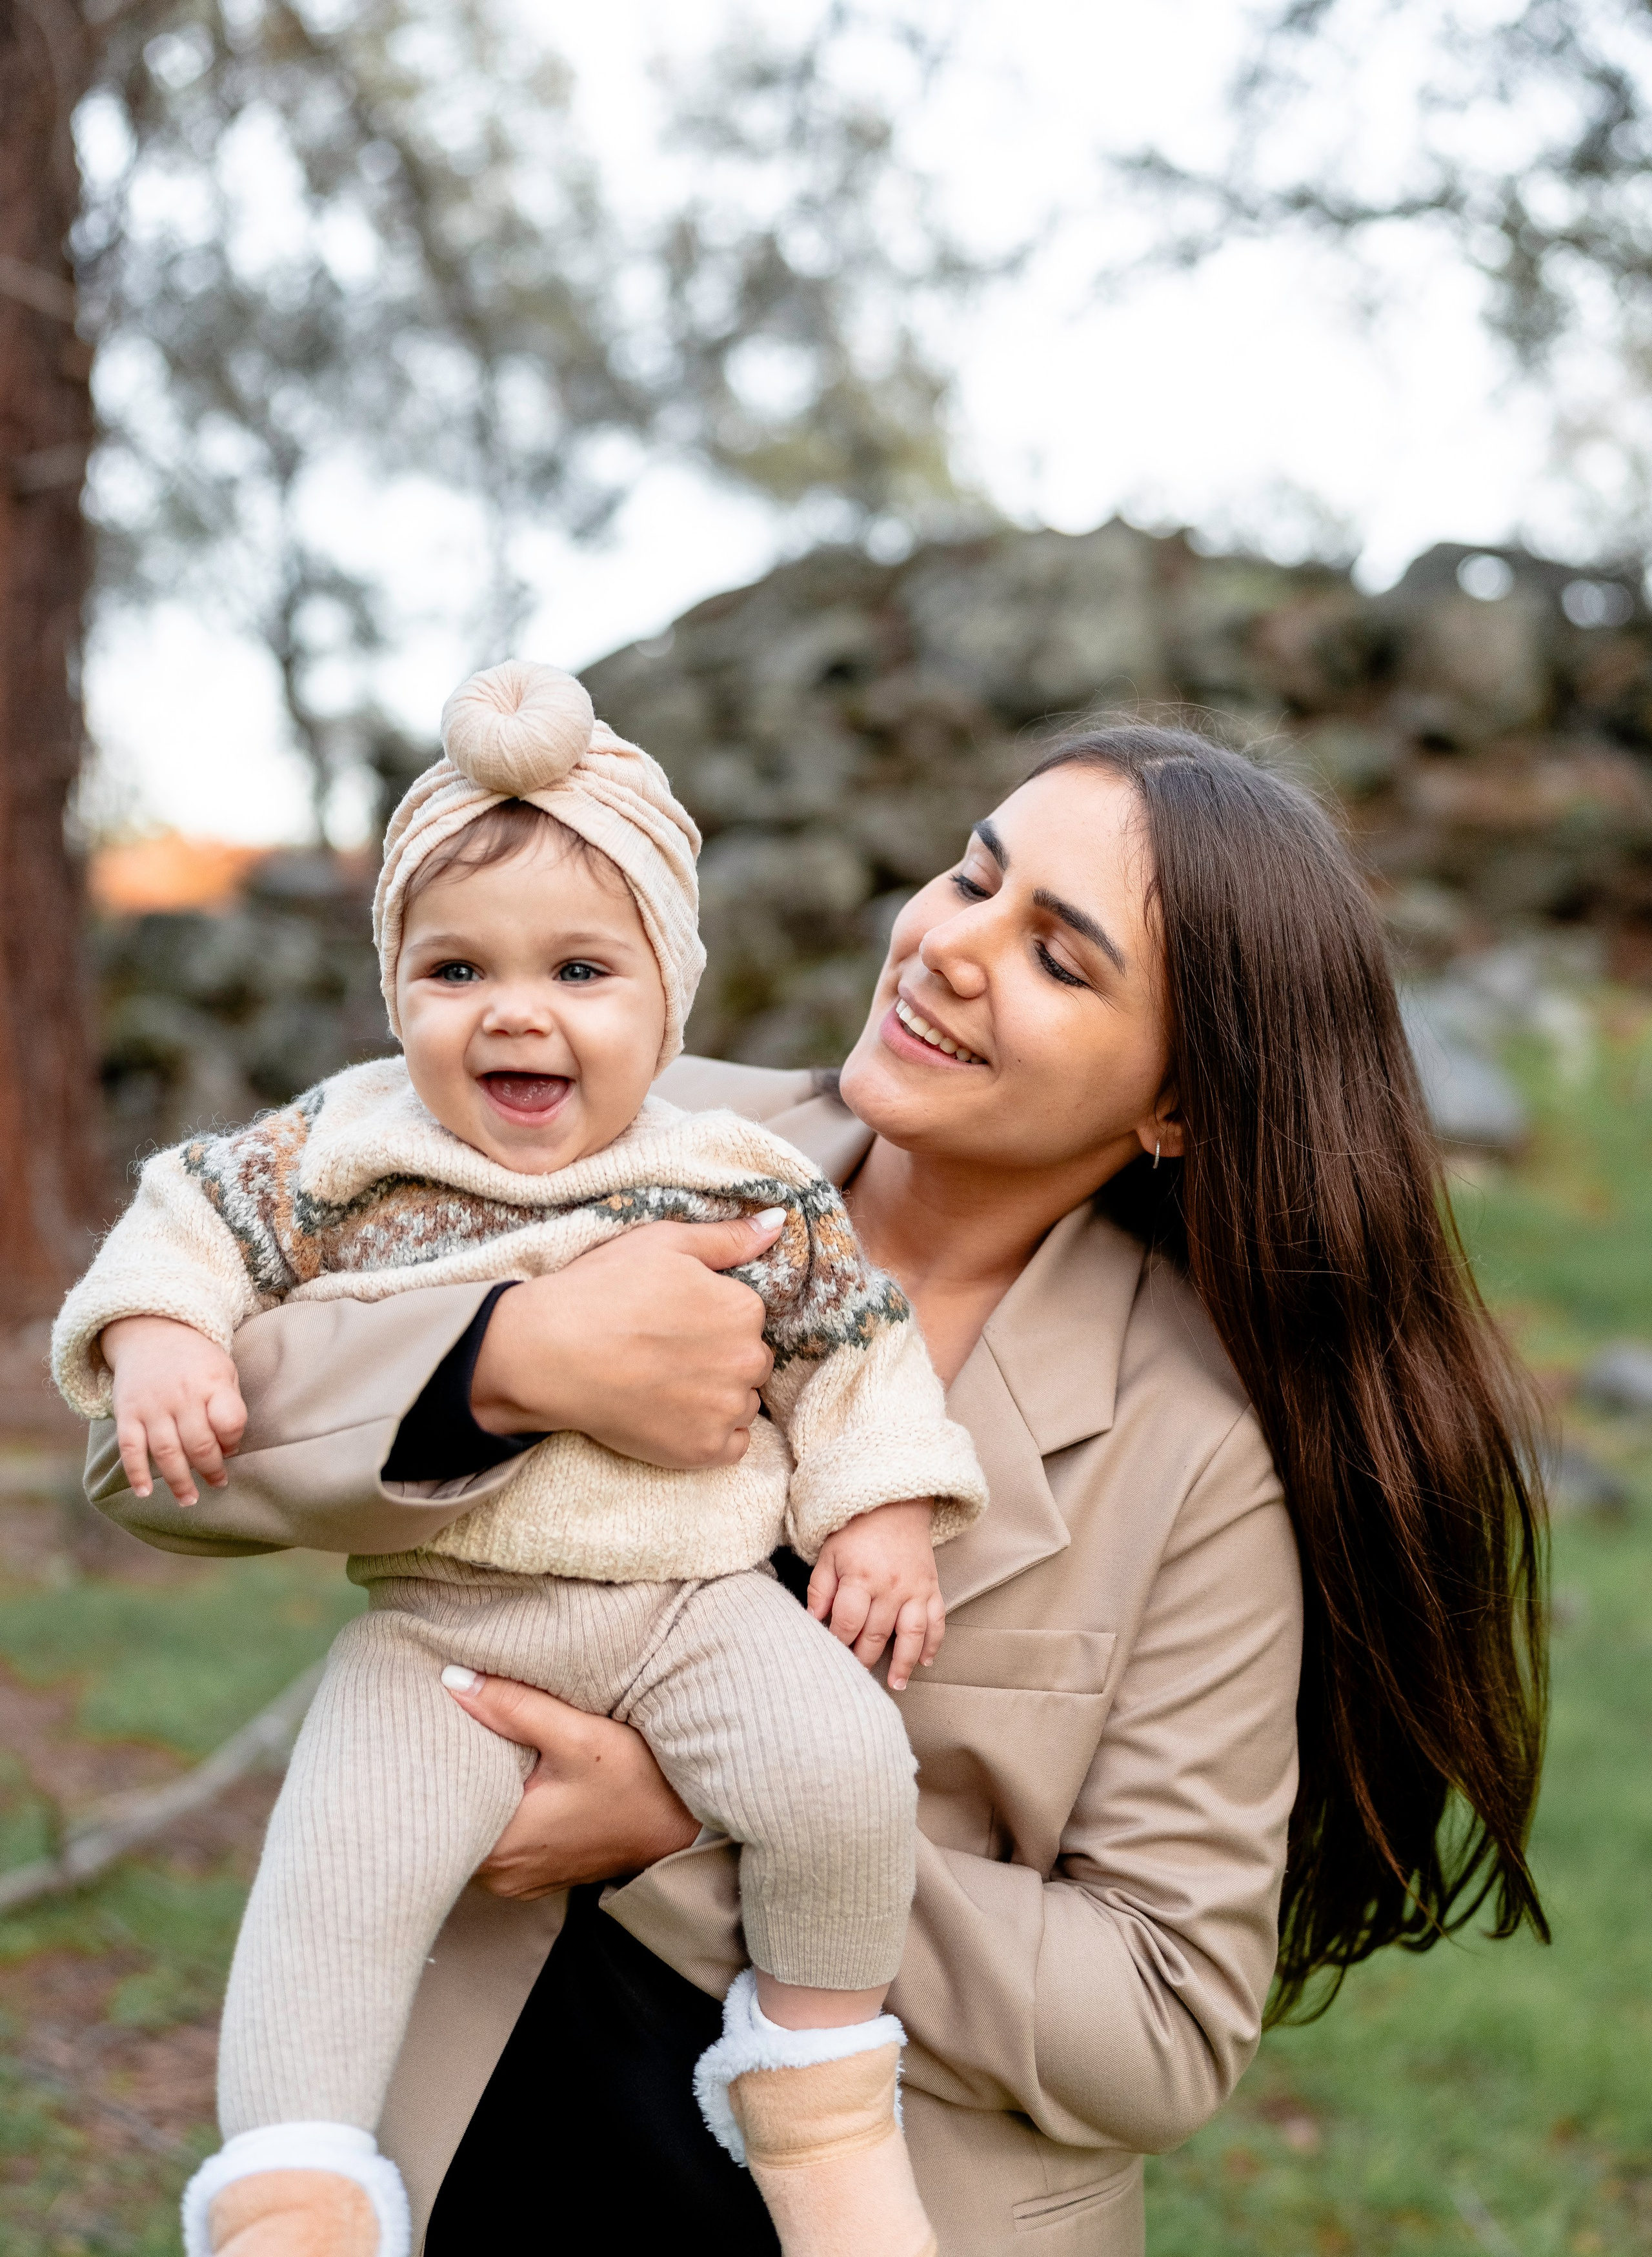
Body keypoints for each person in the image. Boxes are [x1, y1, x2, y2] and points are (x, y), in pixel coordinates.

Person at [82, 721, 1547, 2257]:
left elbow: (1159, 2023)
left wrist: (688, 1829)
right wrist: (505, 1362)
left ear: (1173, 1104)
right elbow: (146, 1451)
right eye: (971, 877)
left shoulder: (1193, 1452)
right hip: (468, 2143)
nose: (950, 947)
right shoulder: (610, 1113)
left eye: (1056, 957)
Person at [54, 661, 988, 2257]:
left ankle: (818, 2091)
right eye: (454, 967)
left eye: (579, 968)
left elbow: (854, 1343)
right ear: (394, 987)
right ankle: (291, 2182)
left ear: (665, 999)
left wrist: (882, 1514)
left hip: (700, 1606)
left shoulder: (732, 1172)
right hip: (449, 1627)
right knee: (338, 1873)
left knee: (844, 1771)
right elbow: (188, 1215)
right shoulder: (346, 1144)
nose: (513, 1009)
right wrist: (160, 1335)